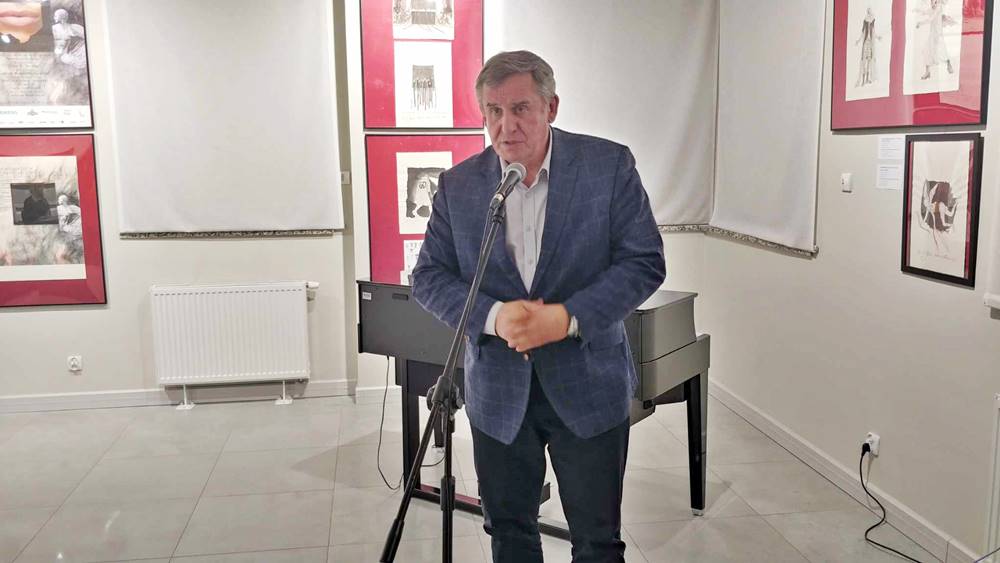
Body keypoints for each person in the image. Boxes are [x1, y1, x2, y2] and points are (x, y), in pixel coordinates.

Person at [412, 50, 665, 563]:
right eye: (494, 111)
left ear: (551, 107)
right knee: (510, 537)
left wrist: (567, 318)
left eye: (521, 108)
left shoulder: (608, 166)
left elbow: (644, 262)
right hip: (498, 396)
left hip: (588, 389)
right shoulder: (459, 187)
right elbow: (428, 276)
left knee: (597, 542)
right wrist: (493, 316)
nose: (506, 126)